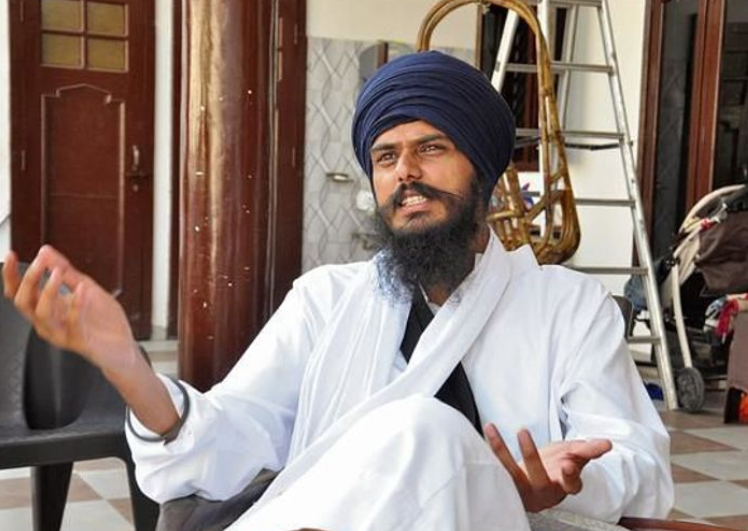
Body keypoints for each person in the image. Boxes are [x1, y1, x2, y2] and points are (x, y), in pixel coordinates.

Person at [2, 51, 673, 530]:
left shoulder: (568, 305)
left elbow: (639, 463)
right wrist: (126, 363)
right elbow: (228, 439)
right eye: (385, 157)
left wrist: (569, 480)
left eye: (431, 148)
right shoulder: (326, 299)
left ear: (486, 169)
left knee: (423, 430)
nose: (405, 172)